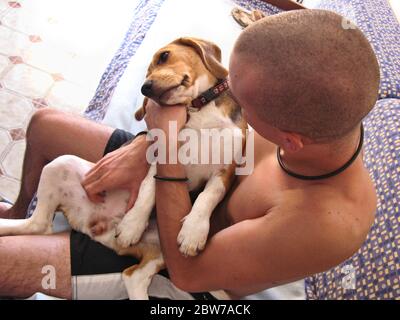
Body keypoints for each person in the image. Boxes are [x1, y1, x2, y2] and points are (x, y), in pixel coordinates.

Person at [0, 9, 379, 299]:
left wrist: (164, 148)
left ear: (289, 140)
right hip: (192, 171)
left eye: (241, 102)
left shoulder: (326, 223)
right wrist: (144, 146)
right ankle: (20, 213)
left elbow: (189, 275)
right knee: (46, 125)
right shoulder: (316, 113)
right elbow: (224, 143)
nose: (223, 98)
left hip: (181, 267)